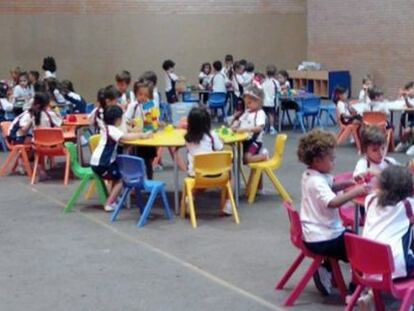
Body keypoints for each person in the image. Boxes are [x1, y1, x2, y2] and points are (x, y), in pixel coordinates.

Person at [297, 129, 368, 295]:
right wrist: (356, 191)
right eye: (331, 159)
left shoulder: (311, 174)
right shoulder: (316, 181)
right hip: (323, 238)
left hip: (316, 234)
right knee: (360, 249)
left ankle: (326, 268)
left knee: (352, 238)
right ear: (317, 160)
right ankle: (354, 290)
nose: (334, 161)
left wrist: (349, 183)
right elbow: (333, 202)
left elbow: (331, 187)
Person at [90, 105, 152, 212]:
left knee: (117, 172)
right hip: (102, 164)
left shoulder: (106, 128)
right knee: (121, 178)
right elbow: (124, 137)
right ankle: (109, 203)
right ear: (118, 119)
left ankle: (112, 197)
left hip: (96, 162)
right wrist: (142, 135)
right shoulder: (113, 130)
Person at [184, 107, 233, 215]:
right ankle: (229, 203)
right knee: (229, 169)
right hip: (216, 174)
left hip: (196, 174)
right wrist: (220, 141)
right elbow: (220, 150)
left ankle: (190, 197)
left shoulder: (188, 139)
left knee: (199, 176)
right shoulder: (212, 136)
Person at [124, 81, 157, 179]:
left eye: (146, 95)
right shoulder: (133, 105)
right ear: (135, 94)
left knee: (149, 161)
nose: (143, 97)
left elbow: (154, 118)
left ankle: (150, 180)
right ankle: (136, 185)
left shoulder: (150, 105)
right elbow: (126, 119)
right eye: (140, 94)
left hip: (148, 137)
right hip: (137, 138)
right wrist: (133, 123)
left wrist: (156, 123)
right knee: (137, 161)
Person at [231, 84, 267, 164]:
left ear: (259, 102)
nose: (247, 105)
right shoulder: (247, 112)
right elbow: (239, 121)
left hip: (255, 141)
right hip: (245, 140)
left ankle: (264, 156)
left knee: (247, 158)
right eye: (246, 103)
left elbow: (259, 128)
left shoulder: (260, 113)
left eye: (249, 103)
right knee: (239, 158)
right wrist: (235, 124)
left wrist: (245, 129)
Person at [395, 81, 414, 154]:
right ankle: (404, 143)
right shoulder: (406, 97)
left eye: (412, 89)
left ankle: (412, 145)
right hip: (407, 118)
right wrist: (401, 96)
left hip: (412, 118)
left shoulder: (408, 99)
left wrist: (406, 100)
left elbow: (411, 107)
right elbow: (398, 103)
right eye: (409, 89)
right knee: (405, 132)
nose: (411, 91)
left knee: (411, 130)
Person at [262, 65, 279, 135]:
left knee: (265, 115)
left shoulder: (264, 81)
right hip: (272, 102)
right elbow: (278, 90)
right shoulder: (275, 82)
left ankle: (264, 128)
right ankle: (272, 128)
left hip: (264, 101)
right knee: (271, 114)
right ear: (275, 73)